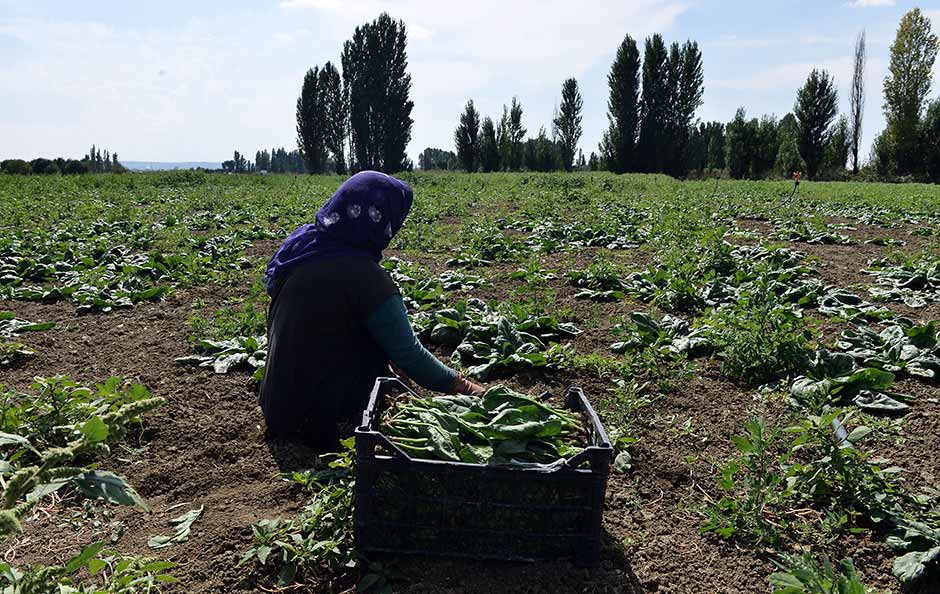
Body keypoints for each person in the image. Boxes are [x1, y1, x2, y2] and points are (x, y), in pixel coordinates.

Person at [259, 171, 484, 449]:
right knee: (389, 371)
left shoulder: (305, 247)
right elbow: (409, 354)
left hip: (278, 405)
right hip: (319, 419)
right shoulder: (366, 276)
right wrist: (462, 386)